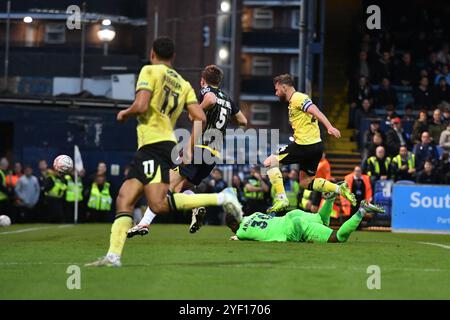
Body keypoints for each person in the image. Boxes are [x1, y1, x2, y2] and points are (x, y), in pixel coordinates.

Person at [86, 37, 242, 267]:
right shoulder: (183, 84)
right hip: (181, 146)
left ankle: (221, 198)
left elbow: (141, 105)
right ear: (174, 57)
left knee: (159, 200)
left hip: (154, 144)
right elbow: (200, 116)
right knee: (125, 197)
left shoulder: (150, 71)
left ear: (152, 54)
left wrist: (125, 113)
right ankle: (114, 255)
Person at [128, 64, 247, 236]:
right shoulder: (228, 100)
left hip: (199, 148)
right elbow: (243, 121)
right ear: (219, 81)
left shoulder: (206, 92)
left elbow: (211, 100)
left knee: (165, 185)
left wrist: (198, 112)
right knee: (179, 189)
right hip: (213, 155)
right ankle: (197, 205)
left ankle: (144, 224)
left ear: (202, 81)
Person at [263, 74, 356, 214]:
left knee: (269, 163)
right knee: (305, 182)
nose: (276, 93)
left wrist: (329, 127)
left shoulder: (297, 98)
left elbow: (315, 110)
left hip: (304, 145)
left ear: (284, 87)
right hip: (316, 146)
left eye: (277, 89)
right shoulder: (295, 101)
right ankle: (339, 189)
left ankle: (282, 198)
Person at [226, 190, 385, 244]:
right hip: (293, 214)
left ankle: (361, 211)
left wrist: (238, 236)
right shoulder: (255, 214)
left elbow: (244, 234)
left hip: (293, 228)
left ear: (233, 226)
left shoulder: (241, 233)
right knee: (322, 220)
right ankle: (329, 199)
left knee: (339, 238)